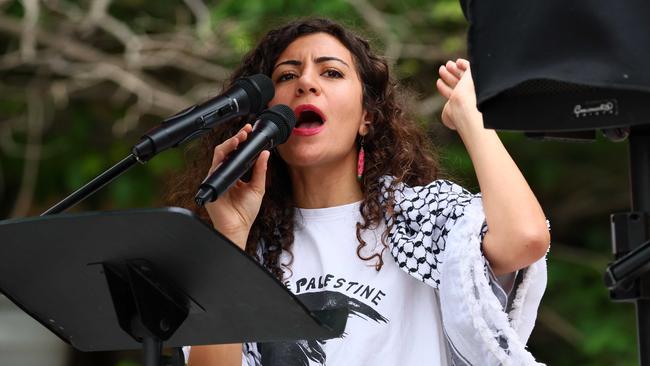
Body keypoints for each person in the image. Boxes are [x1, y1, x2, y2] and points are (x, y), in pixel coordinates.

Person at [167, 18, 550, 366]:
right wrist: (231, 236)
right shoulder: (243, 249)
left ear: (367, 117)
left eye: (331, 72)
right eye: (286, 76)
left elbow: (526, 239)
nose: (306, 84)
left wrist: (472, 119)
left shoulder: (421, 217)